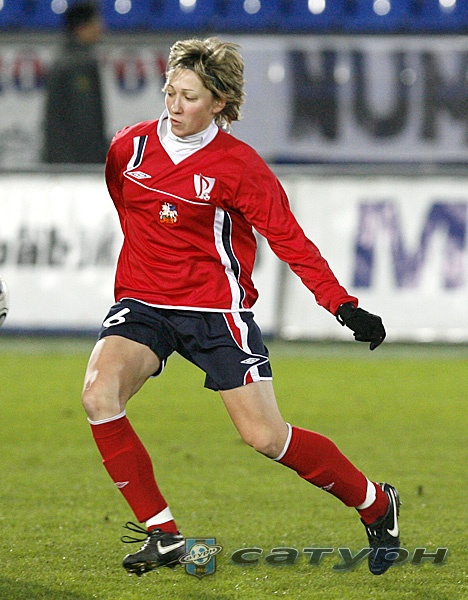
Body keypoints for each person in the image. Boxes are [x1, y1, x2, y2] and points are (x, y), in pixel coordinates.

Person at [81, 38, 399, 577]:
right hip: (144, 304)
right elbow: (128, 208)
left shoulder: (239, 166)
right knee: (98, 394)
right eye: (170, 92)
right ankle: (164, 534)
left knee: (265, 437)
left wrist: (342, 306)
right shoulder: (128, 148)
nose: (174, 106)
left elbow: (290, 240)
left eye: (189, 97)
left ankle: (375, 501)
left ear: (219, 104)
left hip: (216, 313)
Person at [42, 1, 108, 164]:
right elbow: (84, 119)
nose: (101, 28)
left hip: (65, 159)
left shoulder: (66, 58)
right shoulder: (77, 65)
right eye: (96, 23)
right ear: (82, 27)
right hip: (76, 162)